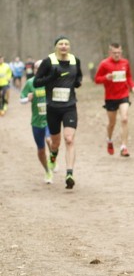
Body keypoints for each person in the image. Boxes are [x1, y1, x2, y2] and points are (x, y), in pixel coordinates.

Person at [34, 36, 83, 190]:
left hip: (69, 107)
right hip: (53, 108)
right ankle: (53, 156)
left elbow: (79, 77)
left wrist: (77, 82)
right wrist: (51, 78)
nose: (63, 46)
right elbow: (36, 82)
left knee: (69, 139)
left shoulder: (75, 61)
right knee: (55, 143)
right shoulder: (48, 62)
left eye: (66, 44)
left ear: (69, 46)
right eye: (60, 44)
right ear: (55, 46)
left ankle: (69, 174)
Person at [94, 43, 134, 157]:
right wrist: (105, 78)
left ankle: (124, 147)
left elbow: (128, 77)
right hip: (110, 97)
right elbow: (97, 79)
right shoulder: (104, 64)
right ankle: (109, 140)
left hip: (123, 95)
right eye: (114, 53)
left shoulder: (125, 62)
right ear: (110, 53)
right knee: (112, 123)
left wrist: (132, 86)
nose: (117, 55)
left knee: (124, 119)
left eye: (119, 52)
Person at [20, 59, 54, 184]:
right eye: (36, 68)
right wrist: (27, 99)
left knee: (50, 140)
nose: (38, 71)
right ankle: (47, 171)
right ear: (33, 70)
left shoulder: (52, 82)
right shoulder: (30, 83)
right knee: (40, 150)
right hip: (36, 121)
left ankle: (53, 159)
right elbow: (21, 99)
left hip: (50, 119)